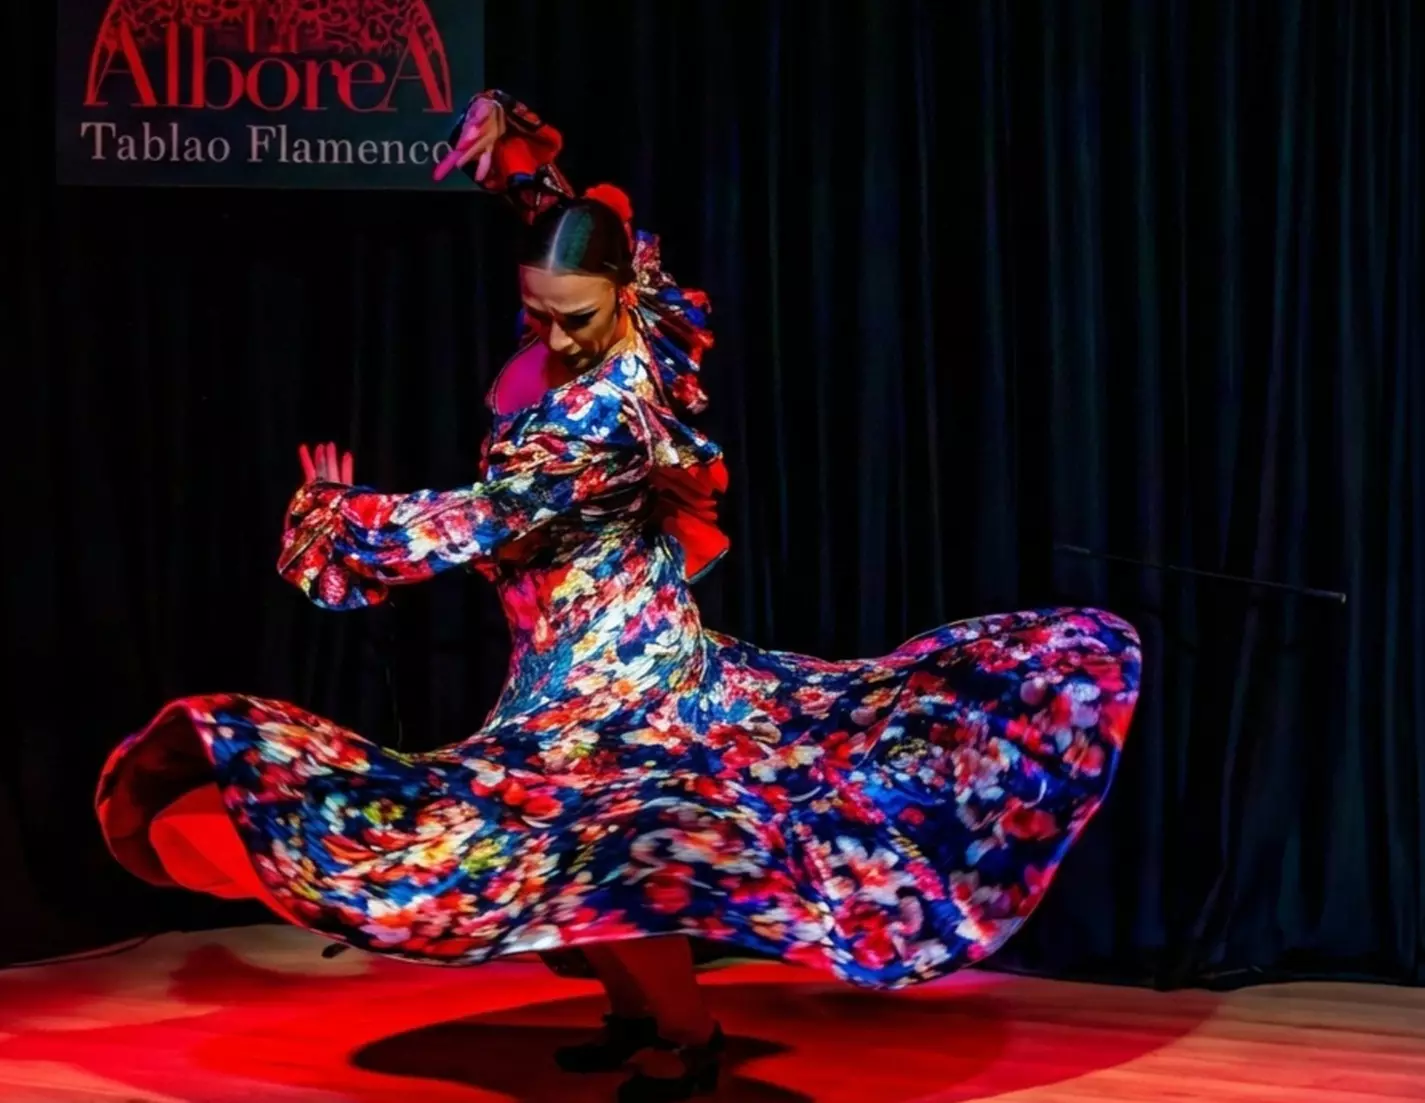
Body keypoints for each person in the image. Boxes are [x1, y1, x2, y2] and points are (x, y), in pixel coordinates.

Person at [95, 91, 1142, 1102]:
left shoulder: (611, 409)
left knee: (613, 845)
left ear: (620, 299)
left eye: (574, 319)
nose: (554, 339)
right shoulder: (614, 295)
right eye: (535, 314)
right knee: (565, 851)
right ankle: (639, 1020)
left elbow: (480, 520)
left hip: (623, 663)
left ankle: (687, 1037)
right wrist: (514, 162)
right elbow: (566, 224)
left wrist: (335, 513)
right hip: (556, 657)